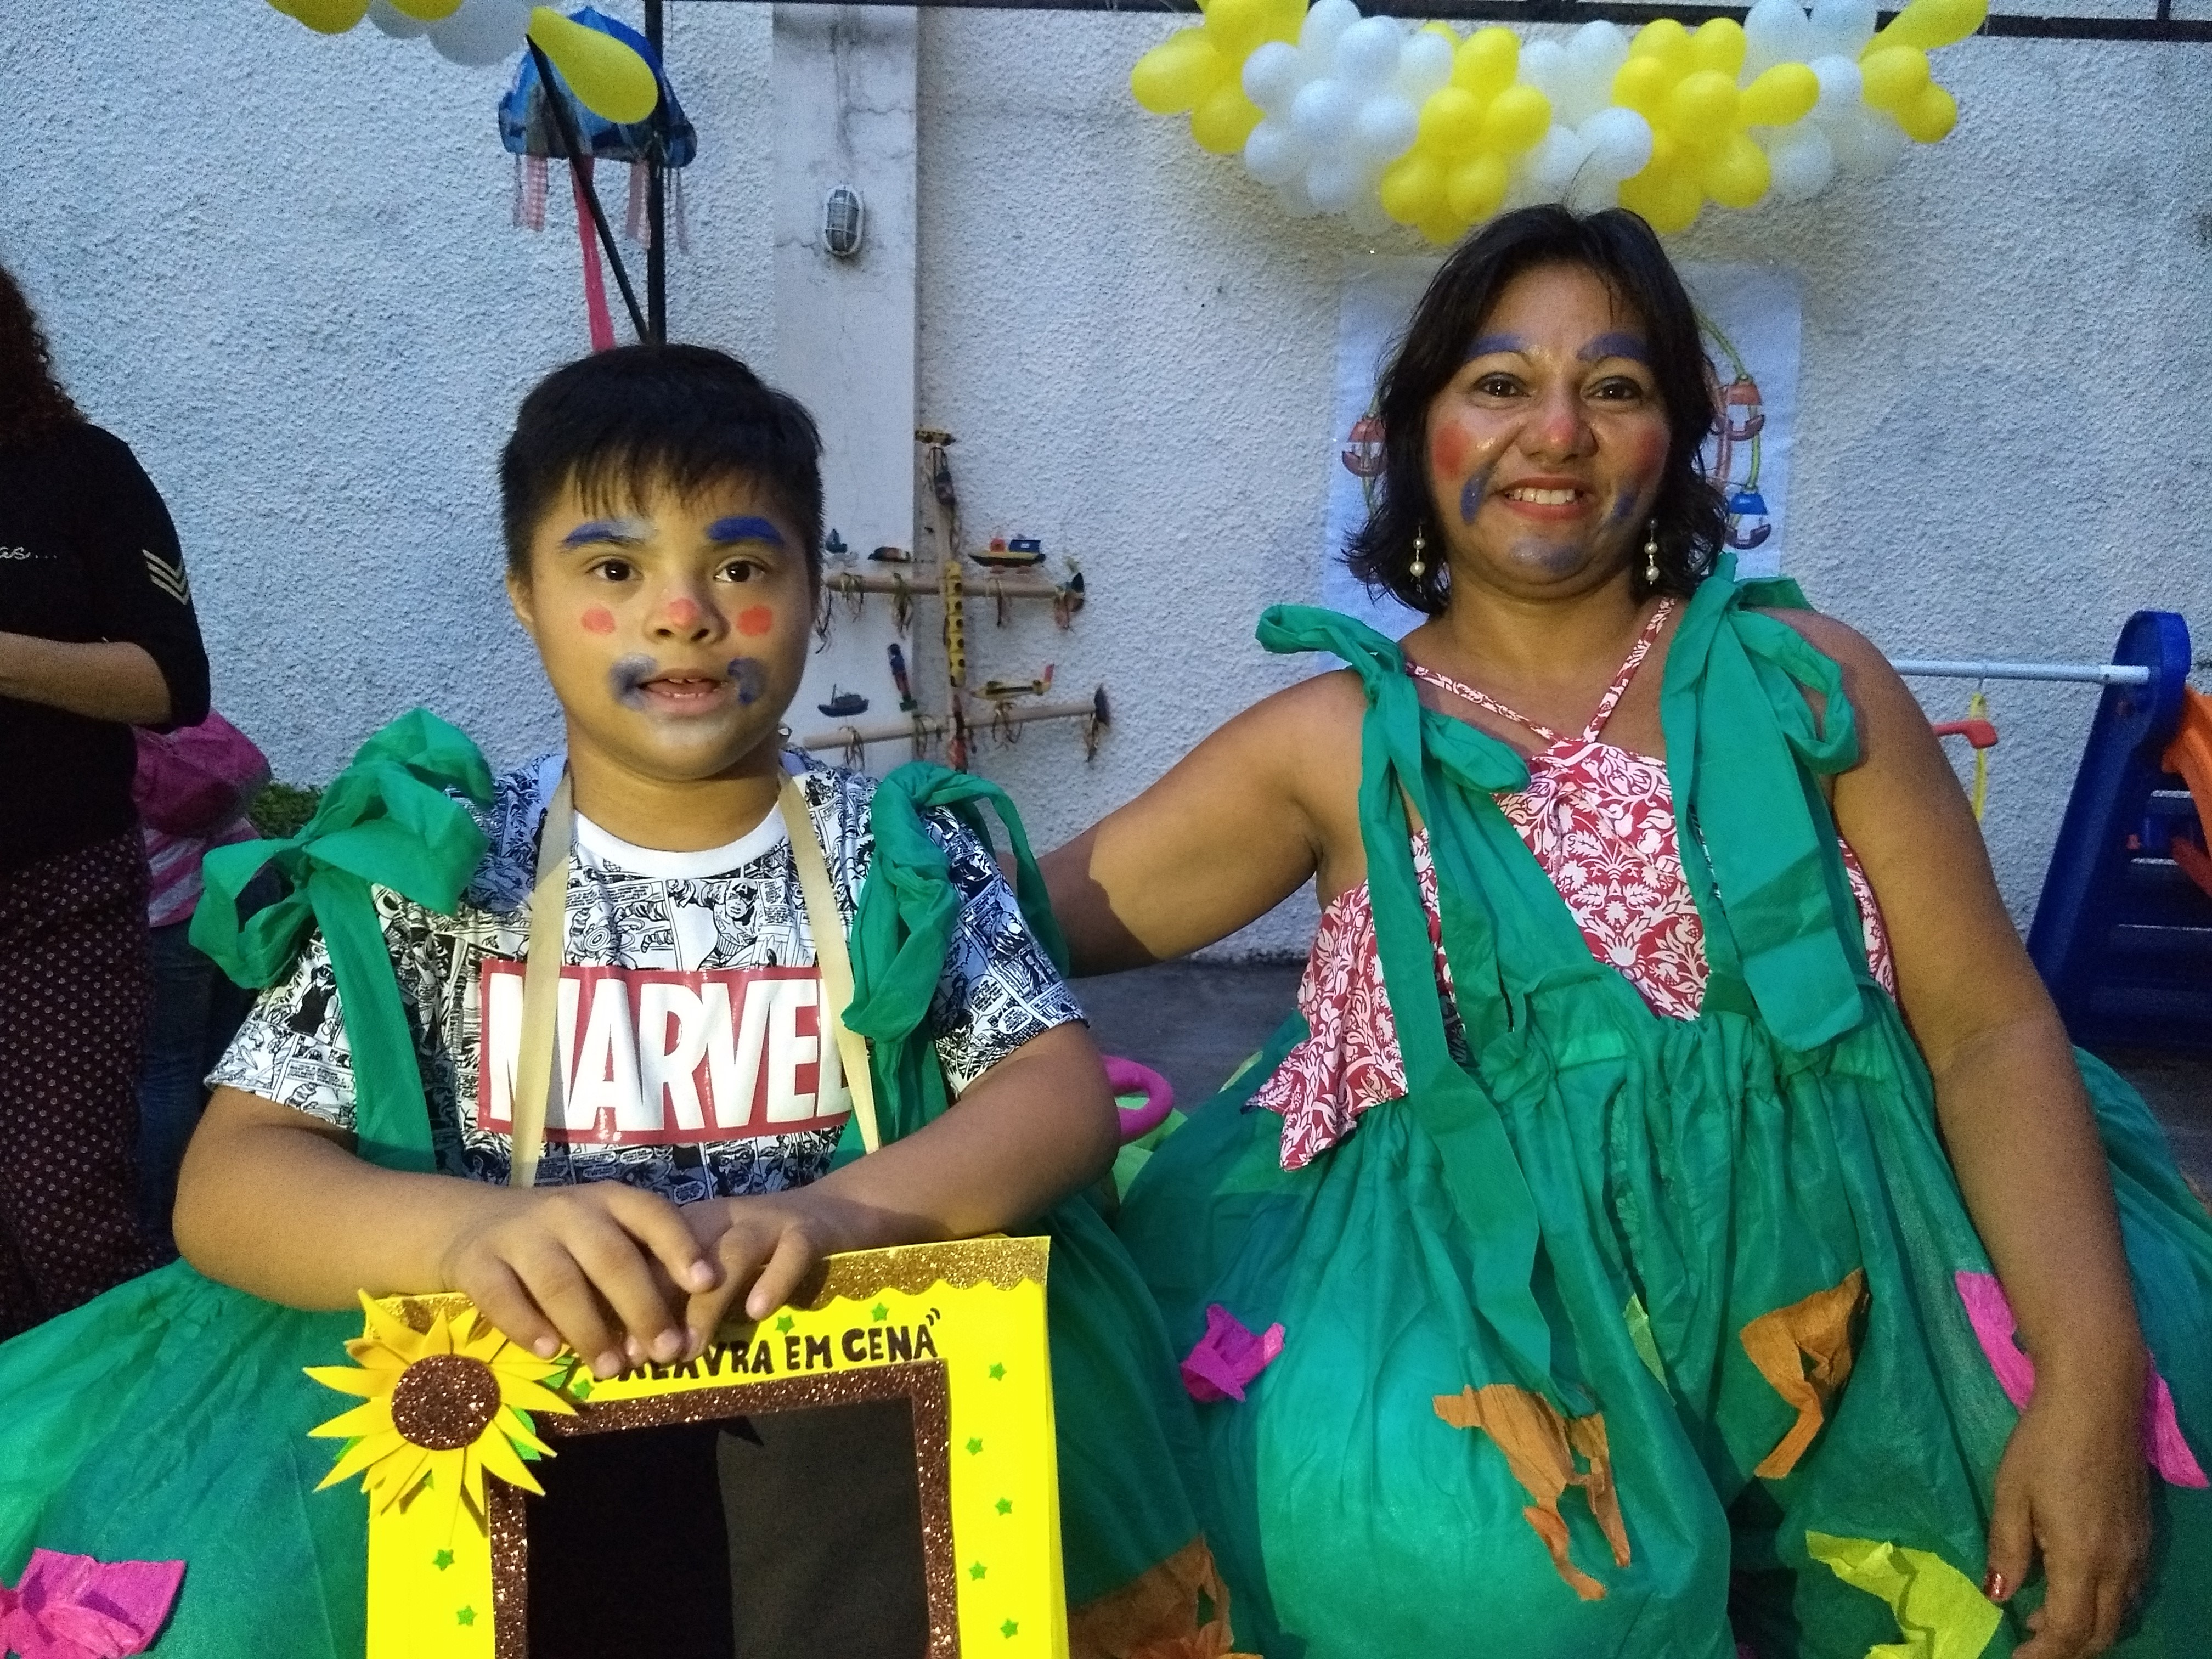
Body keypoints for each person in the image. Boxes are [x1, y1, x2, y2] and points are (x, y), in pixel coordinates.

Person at [1045, 208, 2212, 1659]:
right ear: (1409, 435)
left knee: (2057, 1572)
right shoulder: (1329, 744)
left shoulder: (1811, 687)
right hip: (1482, 1330)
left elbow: (1990, 1027)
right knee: (1452, 1585)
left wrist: (2088, 1371)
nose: (1558, 431)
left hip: (1879, 1305)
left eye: (1613, 386)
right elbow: (1007, 921)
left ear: (1679, 439)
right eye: (1497, 385)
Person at [0, 343, 1224, 1659]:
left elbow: (1055, 1093)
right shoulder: (434, 871)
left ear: (814, 595)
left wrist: (844, 1211)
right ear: (524, 596)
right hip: (491, 1462)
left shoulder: (904, 863)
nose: (684, 612)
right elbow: (236, 1182)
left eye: (742, 568)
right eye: (614, 569)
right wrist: (459, 1241)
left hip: (857, 1450)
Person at [0, 263, 207, 1338]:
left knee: (65, 1217)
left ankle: (139, 1469)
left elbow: (173, 683)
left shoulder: (81, 474)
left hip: (55, 902)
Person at [132, 709, 272, 1249]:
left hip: (173, 909)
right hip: (245, 875)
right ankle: (233, 1210)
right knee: (231, 1067)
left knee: (165, 1076)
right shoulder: (128, 684)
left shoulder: (55, 717)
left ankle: (172, 1231)